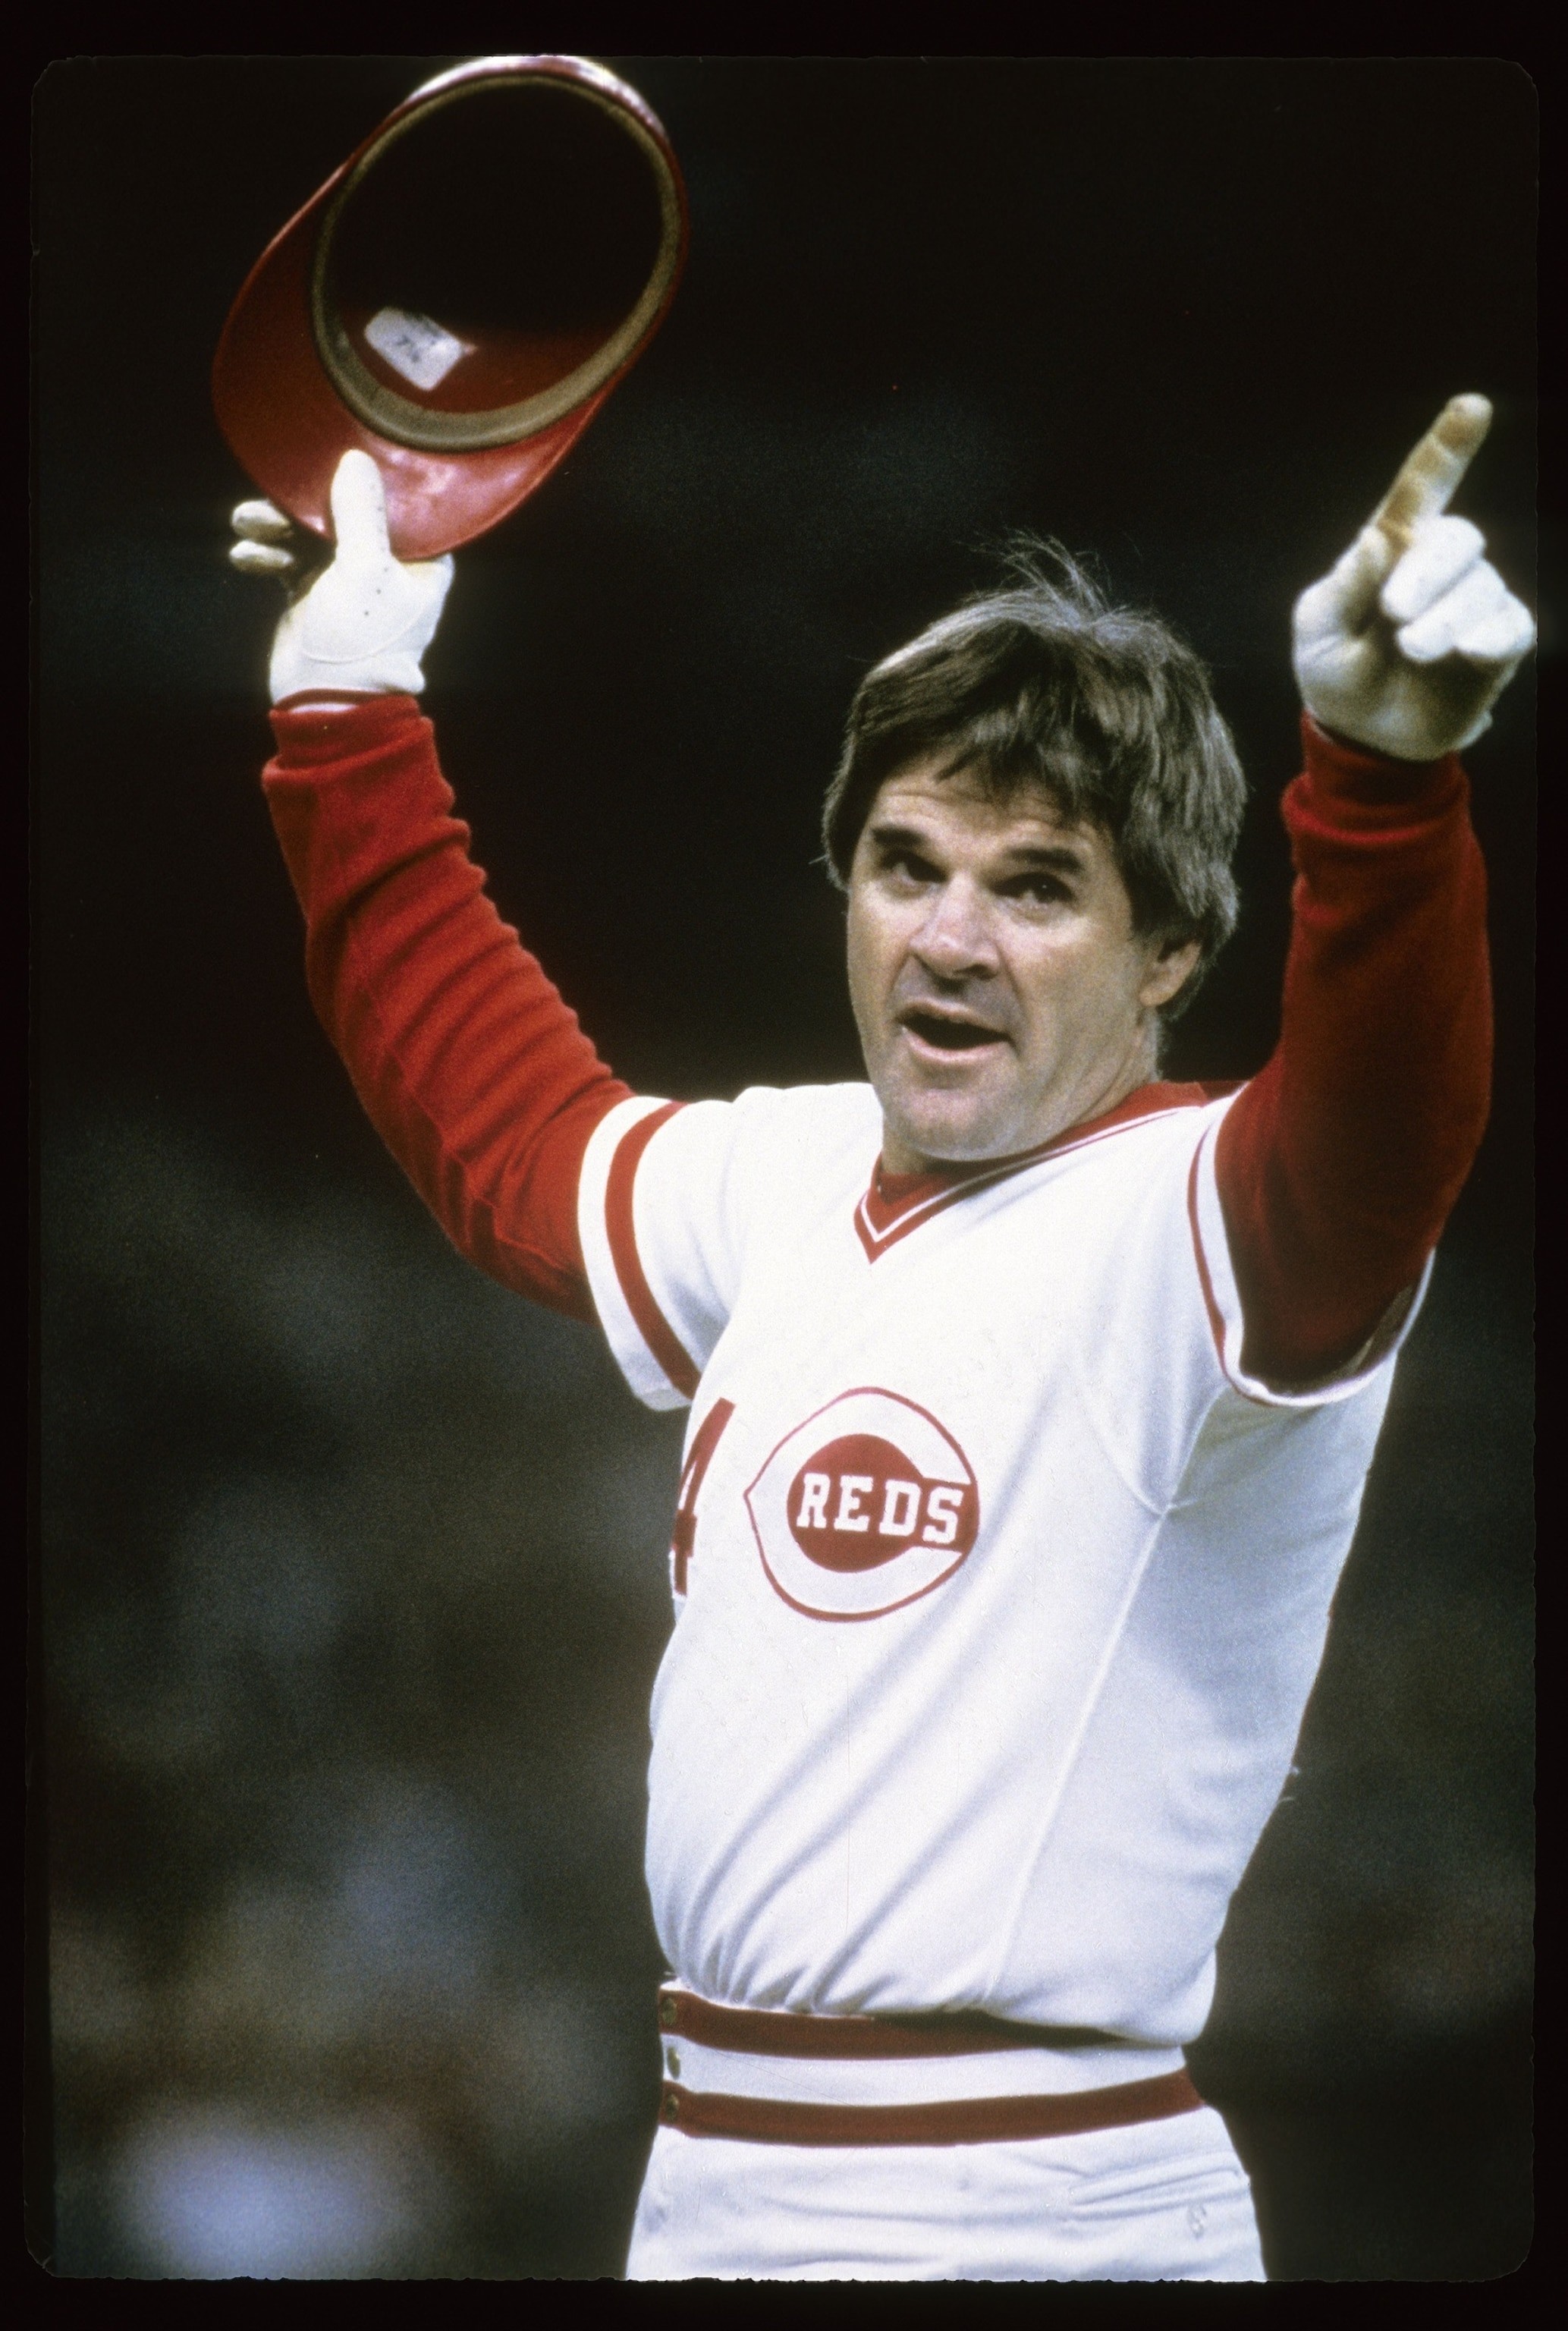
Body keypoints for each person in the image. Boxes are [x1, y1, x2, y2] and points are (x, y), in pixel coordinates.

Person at [228, 396, 1532, 2282]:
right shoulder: (789, 1170)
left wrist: (1388, 784)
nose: (949, 935)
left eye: (1036, 888)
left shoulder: (1207, 1218)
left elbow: (1383, 1136)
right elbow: (512, 1143)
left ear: (1166, 951)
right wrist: (347, 721)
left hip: (1030, 2201)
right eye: (905, 863)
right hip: (711, 2179)